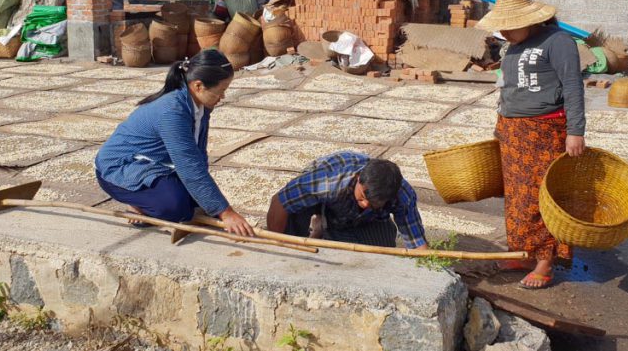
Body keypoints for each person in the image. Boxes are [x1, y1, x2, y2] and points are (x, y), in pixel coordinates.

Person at [482, 0, 586, 290]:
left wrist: (576, 131)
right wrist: (500, 125)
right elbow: (507, 89)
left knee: (542, 198)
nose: (504, 33)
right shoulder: (513, 47)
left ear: (529, 20)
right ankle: (524, 253)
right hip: (514, 133)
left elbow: (573, 86)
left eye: (509, 26)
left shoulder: (558, 41)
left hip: (544, 132)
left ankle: (545, 262)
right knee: (518, 199)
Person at [94, 50, 254, 237]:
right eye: (220, 91)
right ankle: (138, 204)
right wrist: (226, 213)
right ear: (198, 86)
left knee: (197, 201)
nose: (223, 97)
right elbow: (189, 166)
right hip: (118, 168)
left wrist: (214, 206)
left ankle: (151, 199)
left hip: (155, 164)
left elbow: (197, 155)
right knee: (175, 208)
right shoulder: (172, 112)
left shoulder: (200, 106)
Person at [266, 151, 428, 249]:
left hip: (349, 213)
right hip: (324, 194)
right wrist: (278, 244)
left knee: (377, 252)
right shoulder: (327, 181)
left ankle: (322, 227)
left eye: (373, 203)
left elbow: (416, 242)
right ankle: (319, 223)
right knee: (291, 230)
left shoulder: (402, 195)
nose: (365, 204)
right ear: (358, 178)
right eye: (363, 197)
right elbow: (280, 202)